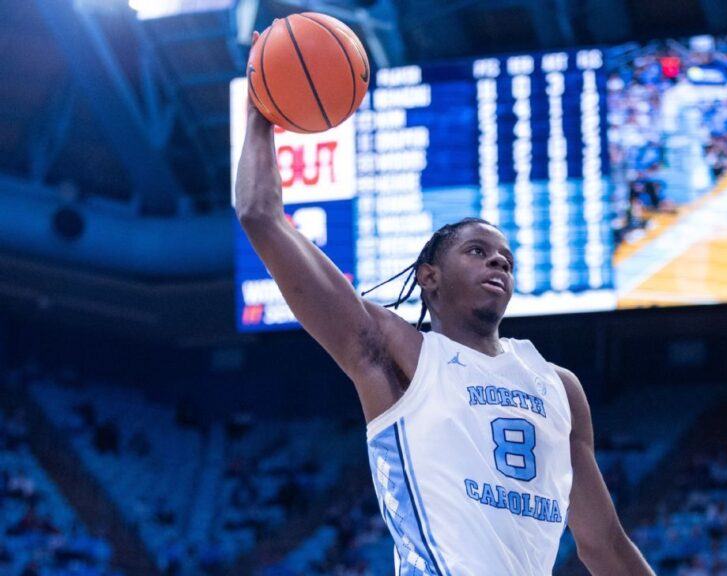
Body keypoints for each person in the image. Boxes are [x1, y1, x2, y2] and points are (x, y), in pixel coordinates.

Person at [235, 32, 654, 576]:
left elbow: (605, 547)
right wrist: (260, 114)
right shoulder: (393, 351)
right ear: (429, 278)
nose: (498, 263)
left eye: (505, 257)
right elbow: (258, 215)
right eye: (478, 251)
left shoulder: (559, 387)